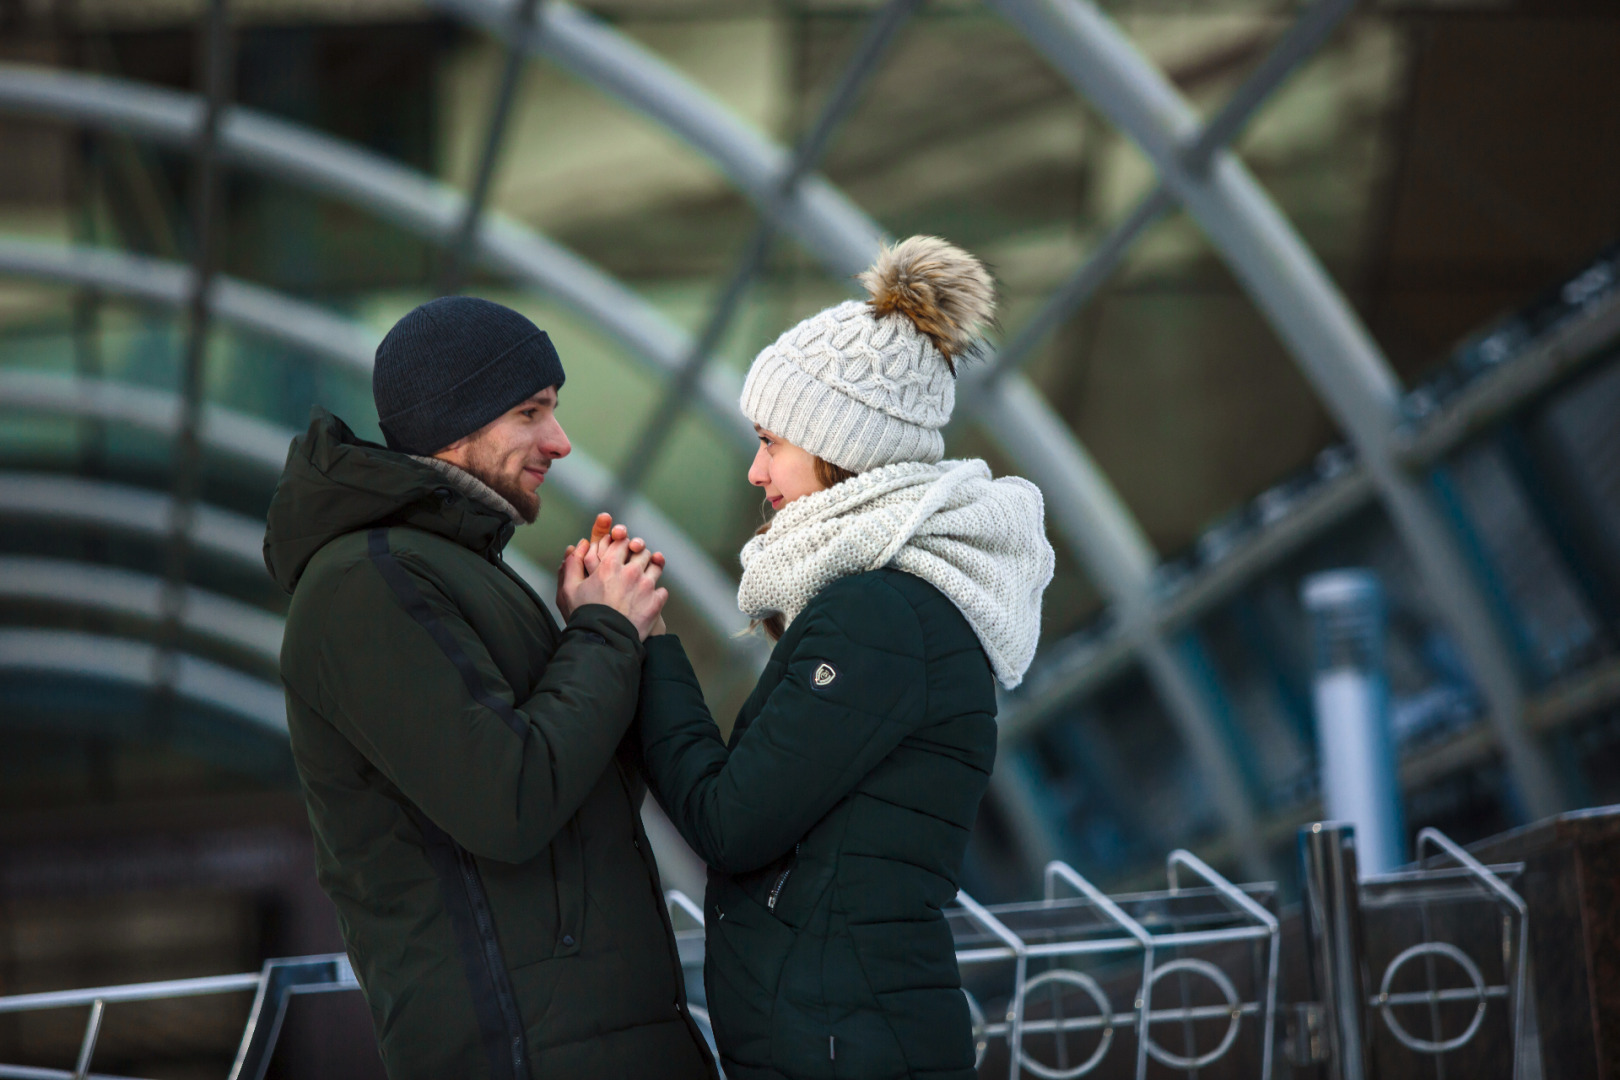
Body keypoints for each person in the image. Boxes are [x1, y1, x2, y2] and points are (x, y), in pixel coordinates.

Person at [625, 236, 1056, 1080]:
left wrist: (645, 651)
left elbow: (730, 822)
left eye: (772, 443)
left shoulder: (879, 615)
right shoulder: (890, 601)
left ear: (840, 445)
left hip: (843, 1048)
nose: (757, 471)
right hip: (844, 1036)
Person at [263, 296, 717, 1080]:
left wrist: (605, 631)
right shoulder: (365, 586)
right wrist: (602, 634)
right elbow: (507, 801)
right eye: (530, 412)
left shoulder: (458, 571)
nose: (561, 441)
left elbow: (576, 791)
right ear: (453, 423)